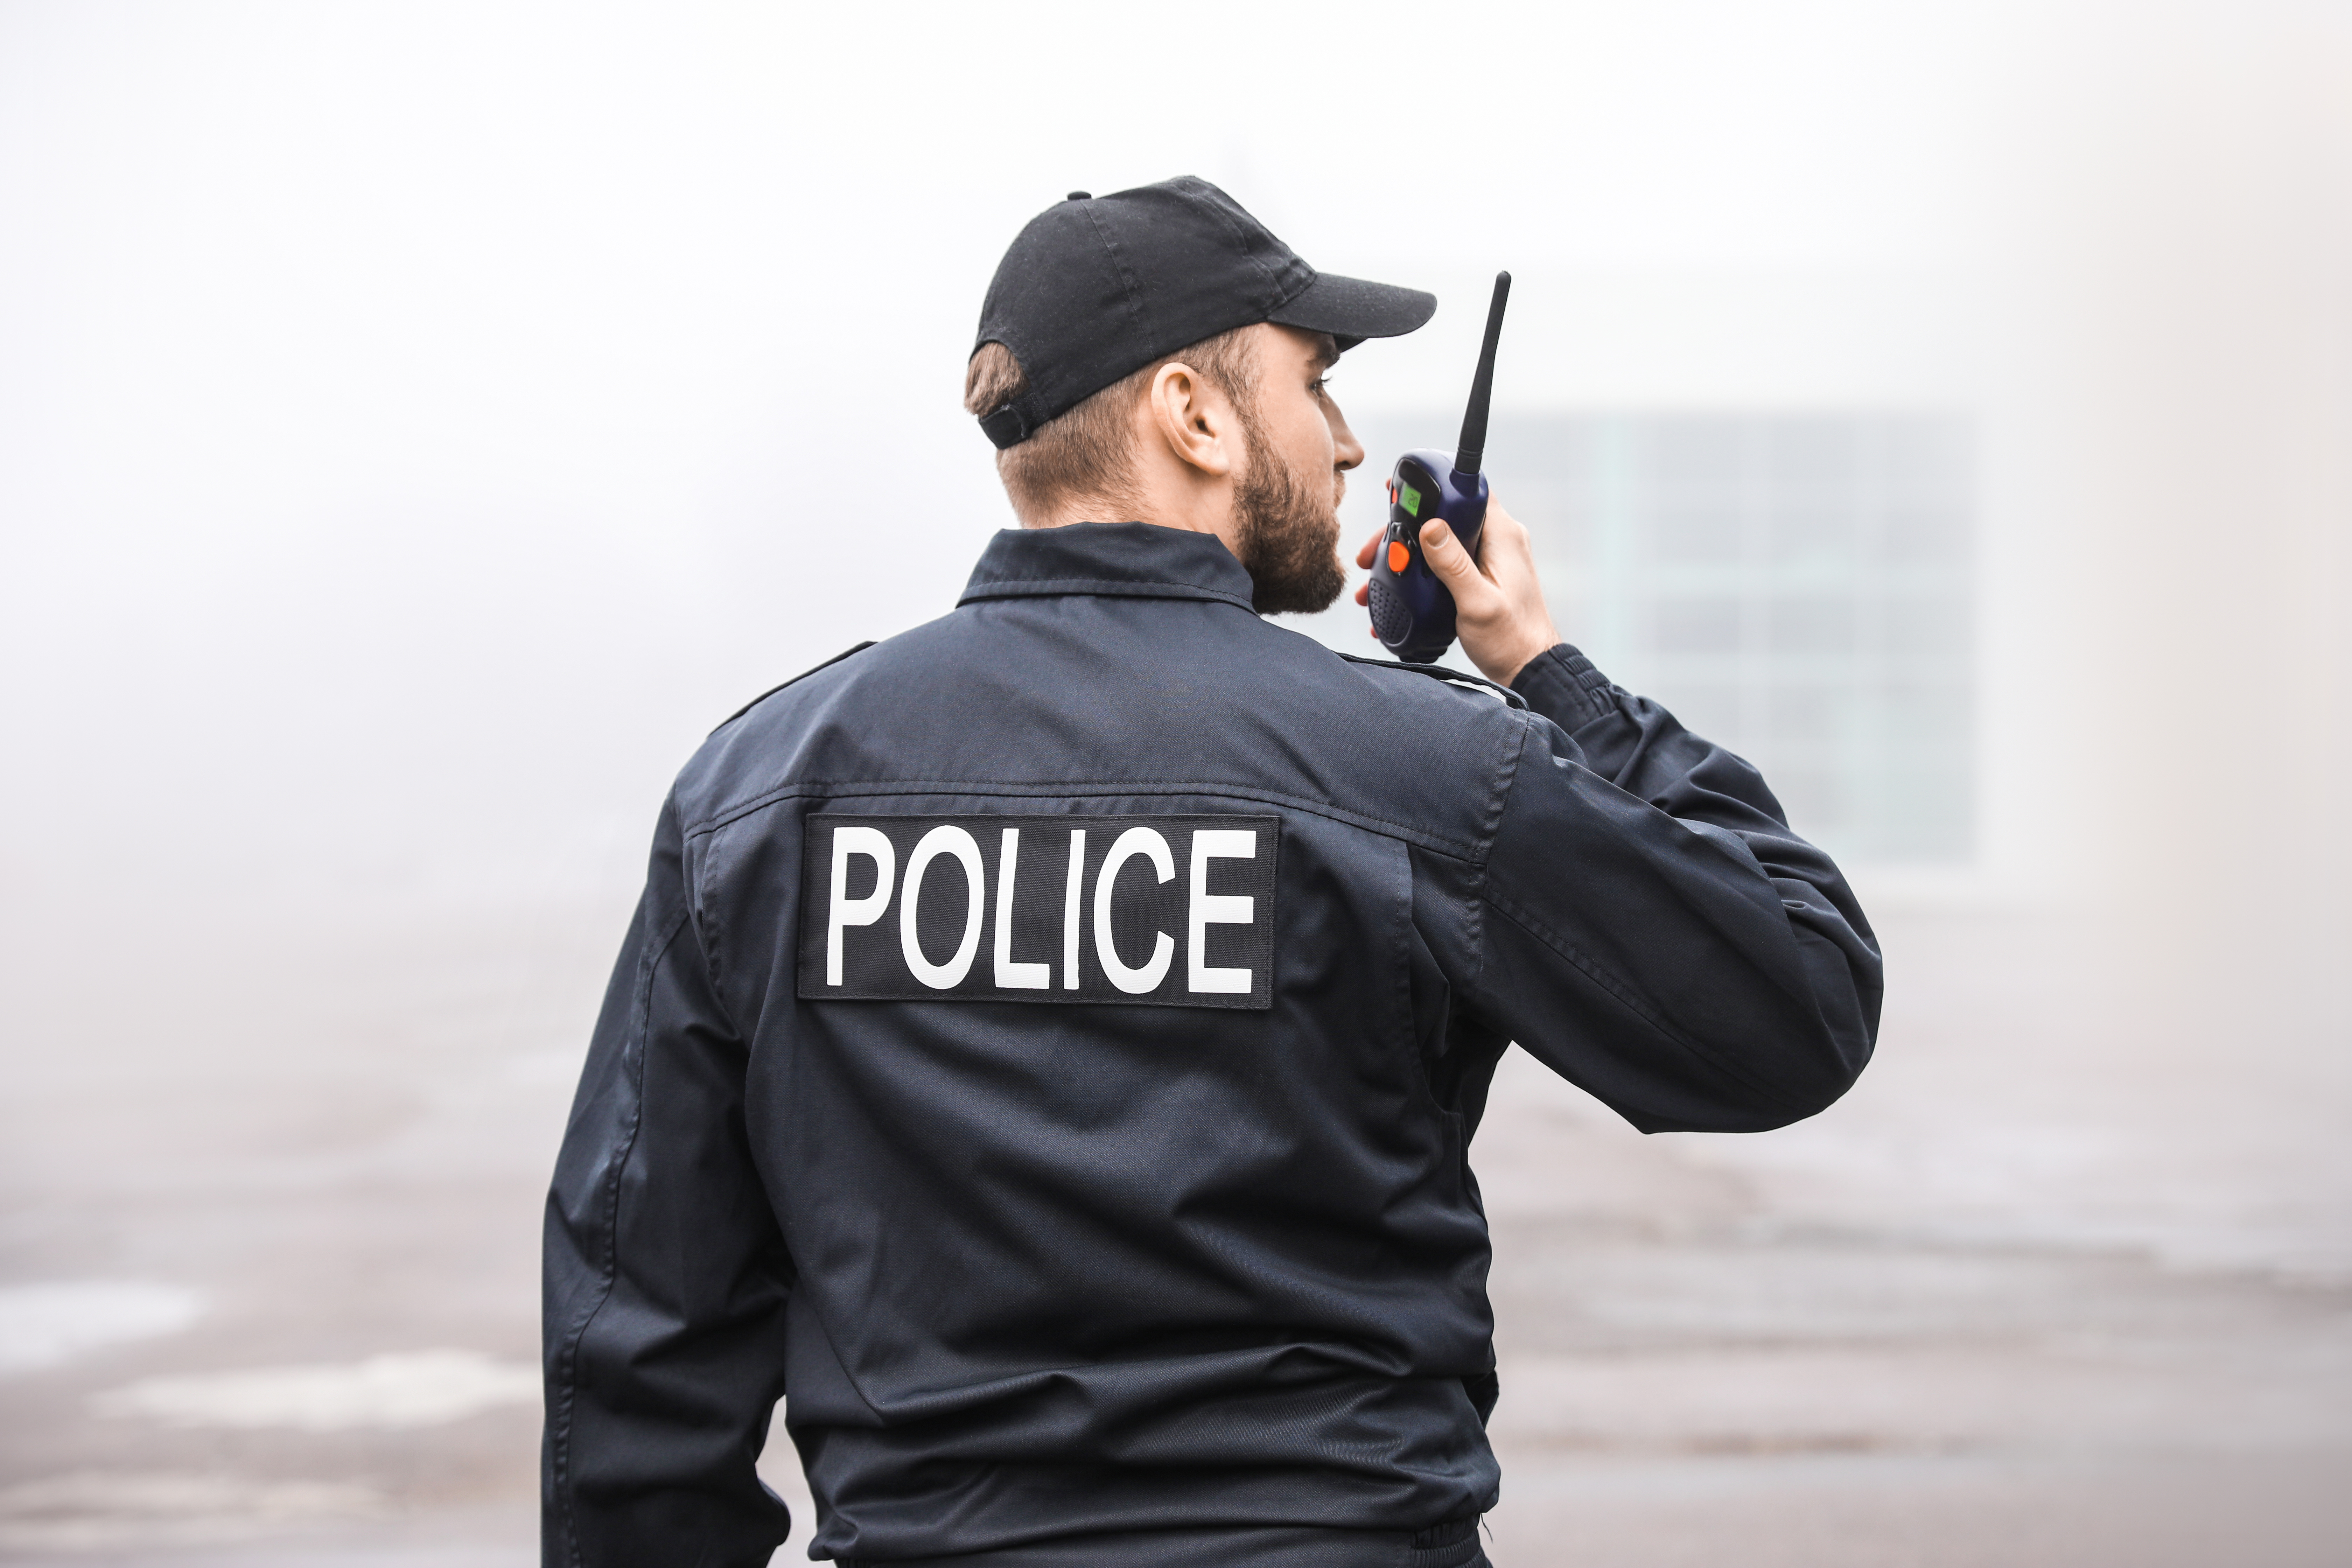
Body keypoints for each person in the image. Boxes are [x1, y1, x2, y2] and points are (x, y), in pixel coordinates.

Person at [542, 176, 1881, 1568]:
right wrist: (1550, 676)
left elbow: (640, 1336)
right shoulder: (1420, 766)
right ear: (1195, 412)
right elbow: (1798, 1000)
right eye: (1318, 383)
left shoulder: (759, 796)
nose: (1353, 446)